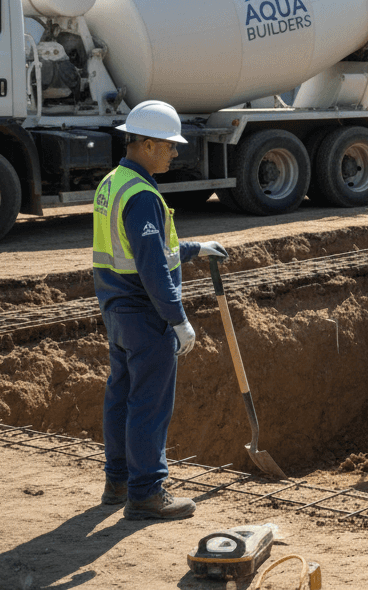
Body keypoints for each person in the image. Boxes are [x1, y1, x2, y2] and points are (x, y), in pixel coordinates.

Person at [93, 100, 228, 520]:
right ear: (147, 144)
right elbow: (151, 268)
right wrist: (178, 320)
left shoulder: (113, 183)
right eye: (169, 146)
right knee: (149, 403)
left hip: (116, 308)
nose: (174, 152)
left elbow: (150, 250)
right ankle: (147, 492)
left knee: (120, 396)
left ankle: (117, 482)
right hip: (144, 313)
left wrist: (193, 249)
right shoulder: (141, 195)